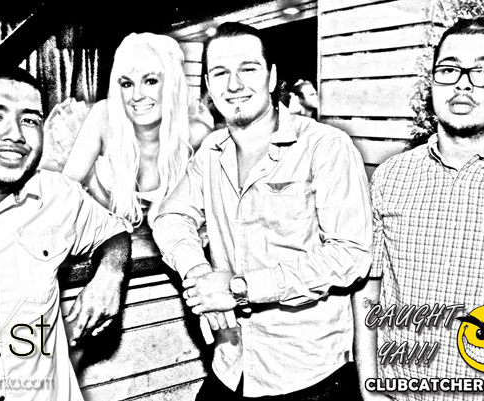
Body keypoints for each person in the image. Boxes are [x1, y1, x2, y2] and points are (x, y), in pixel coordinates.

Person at [153, 22, 372, 400]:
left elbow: (350, 256)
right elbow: (170, 217)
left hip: (307, 377)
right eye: (220, 73)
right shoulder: (210, 153)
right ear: (208, 87)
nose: (234, 85)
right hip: (231, 365)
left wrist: (240, 289)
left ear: (271, 77)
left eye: (248, 69)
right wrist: (198, 271)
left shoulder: (325, 146)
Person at [355, 17, 484, 401]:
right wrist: (370, 386)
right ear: (432, 82)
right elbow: (370, 285)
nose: (463, 83)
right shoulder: (391, 176)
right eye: (449, 69)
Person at [0, 65, 132, 400]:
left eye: (29, 120)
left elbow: (114, 232)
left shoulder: (57, 194)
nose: (15, 134)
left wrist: (110, 275)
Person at [61, 32, 197, 226]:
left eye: (150, 81)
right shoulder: (103, 117)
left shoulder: (196, 136)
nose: (137, 96)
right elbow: (62, 193)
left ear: (172, 85)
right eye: (127, 84)